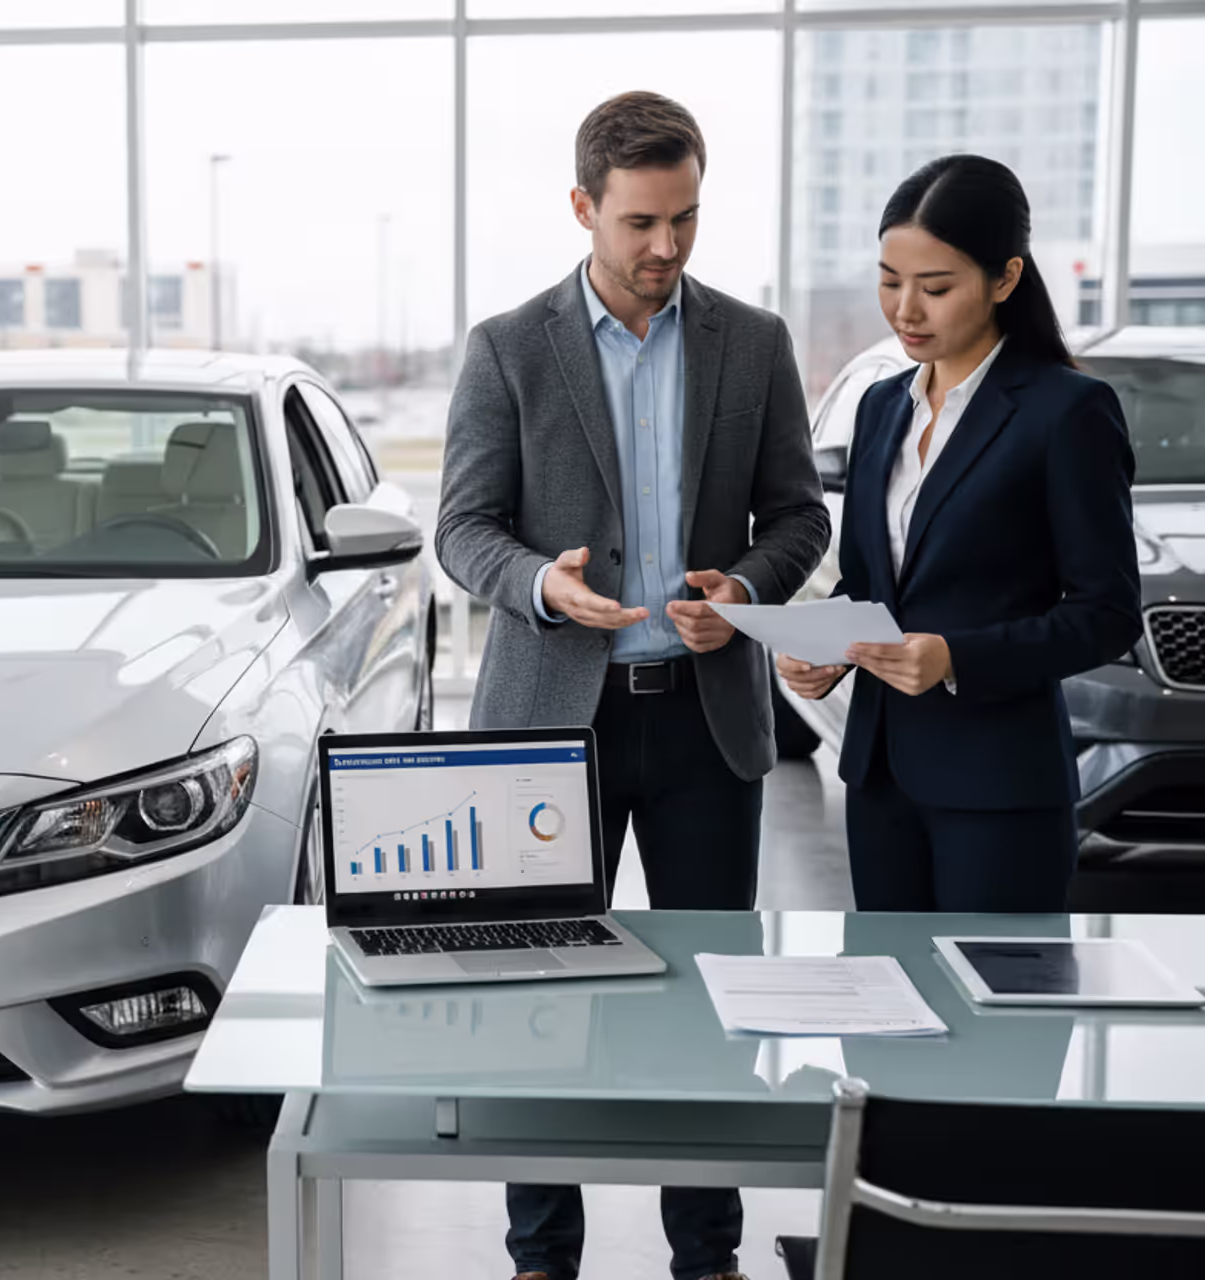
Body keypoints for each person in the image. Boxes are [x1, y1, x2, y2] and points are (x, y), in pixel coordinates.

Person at [437, 90, 830, 1280]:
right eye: (643, 223)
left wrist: (745, 589)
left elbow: (800, 515)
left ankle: (705, 1252)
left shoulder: (751, 342)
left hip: (707, 723)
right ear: (584, 209)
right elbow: (461, 528)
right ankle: (540, 1254)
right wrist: (543, 587)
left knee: (715, 999)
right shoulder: (509, 347)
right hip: (554, 725)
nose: (667, 248)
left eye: (688, 220)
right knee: (530, 1000)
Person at [777, 154, 1140, 914]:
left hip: (999, 787)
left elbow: (1105, 613)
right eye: (889, 281)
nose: (906, 309)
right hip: (880, 779)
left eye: (935, 288)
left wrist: (954, 658)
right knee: (883, 1019)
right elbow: (873, 585)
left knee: (999, 1018)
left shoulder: (1066, 412)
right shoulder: (881, 406)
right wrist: (828, 654)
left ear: (1005, 279)